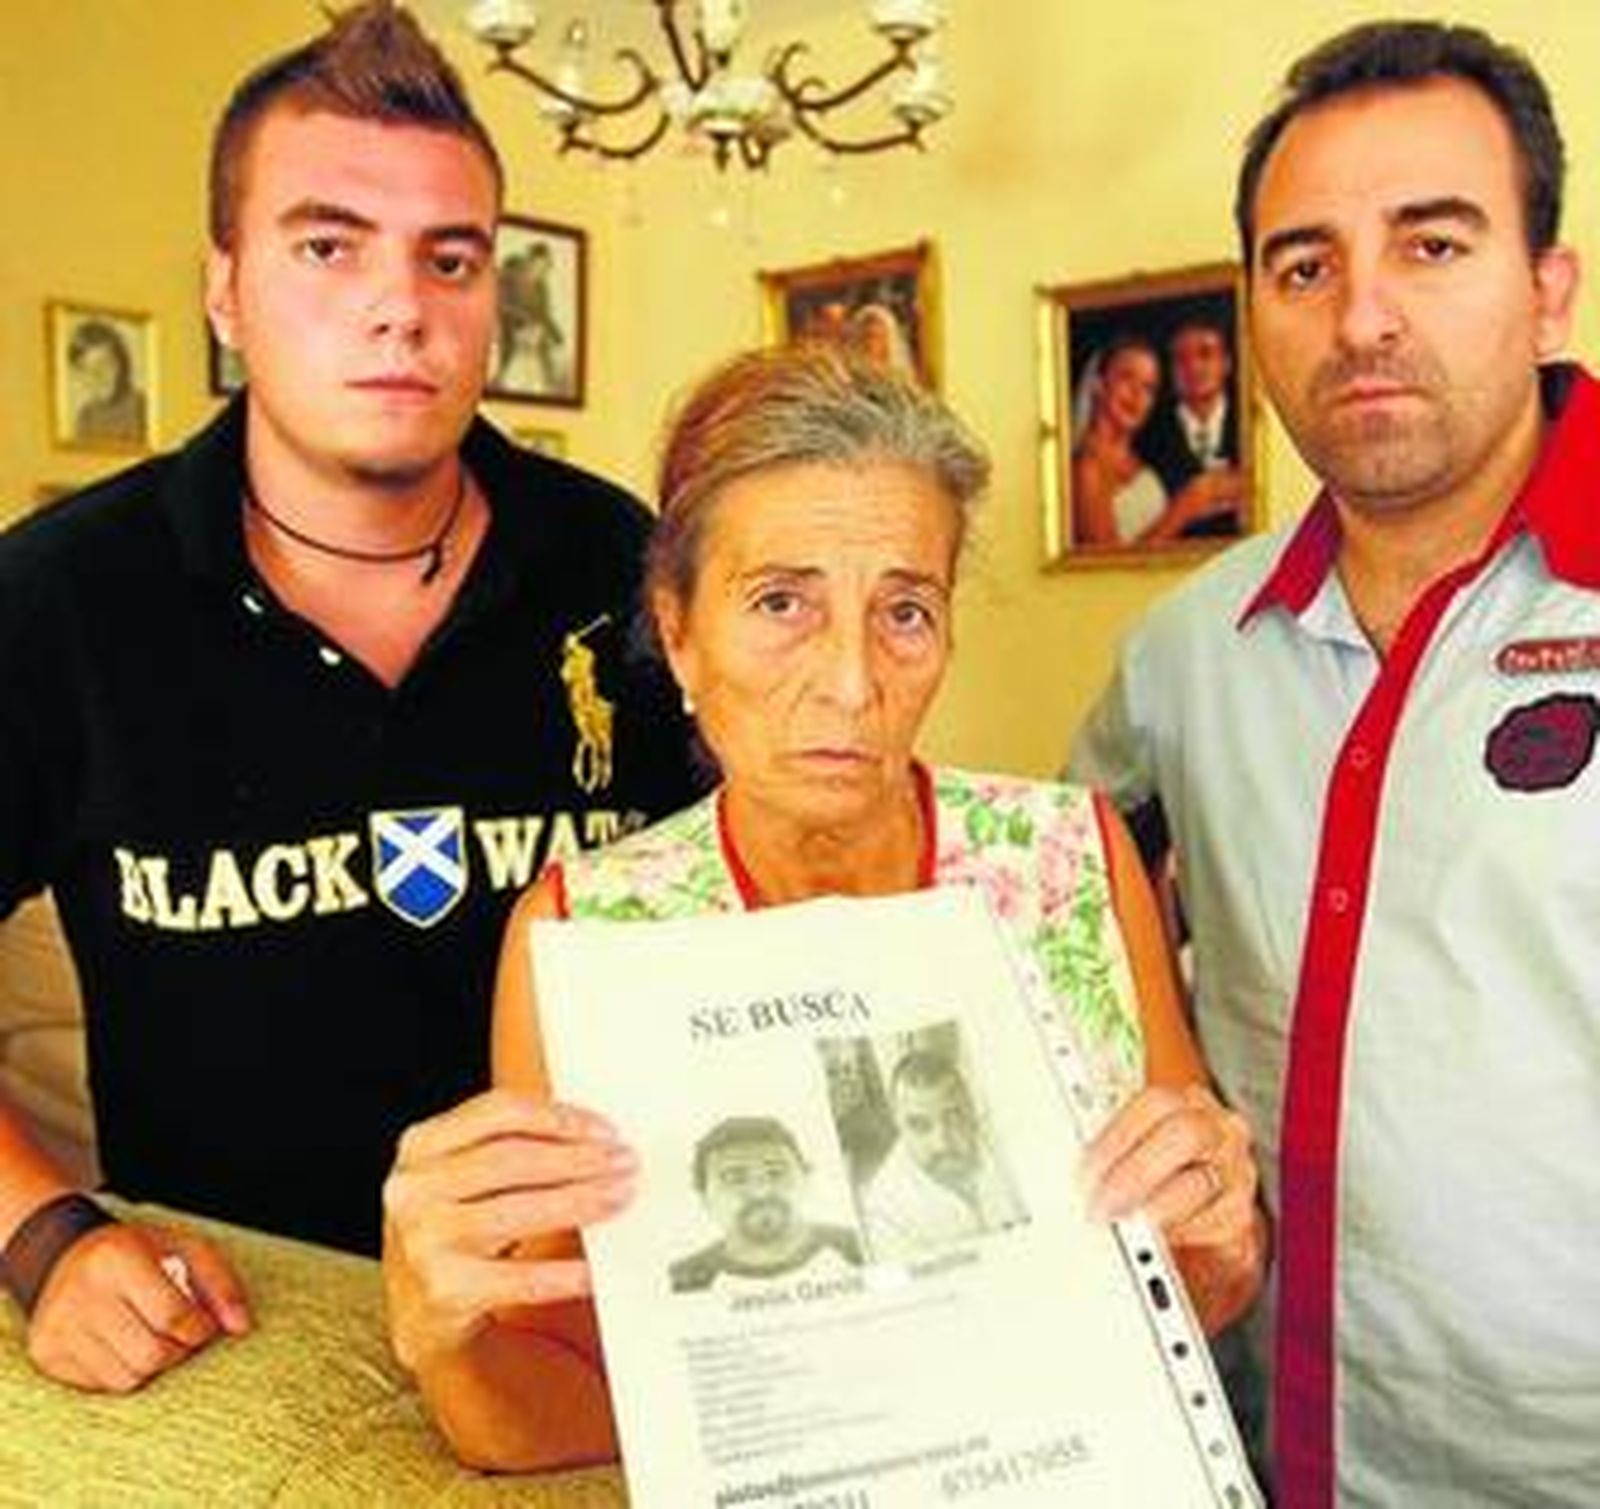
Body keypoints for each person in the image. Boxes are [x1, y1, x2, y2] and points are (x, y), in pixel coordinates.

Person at [382, 343, 1267, 1471]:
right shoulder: (588, 937)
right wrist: (441, 1336)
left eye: (904, 611)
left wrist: (1226, 1236)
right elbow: (559, 1410)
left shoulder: (1067, 859)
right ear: (682, 630)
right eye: (781, 603)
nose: (850, 682)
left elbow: (1196, 1283)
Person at [0, 1, 698, 1396]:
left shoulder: (620, 559)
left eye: (453, 258)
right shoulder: (60, 598)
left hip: (603, 1319)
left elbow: (751, 900)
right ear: (224, 287)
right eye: (328, 246)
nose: (401, 306)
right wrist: (46, 1237)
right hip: (246, 1337)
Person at [1069, 21, 1591, 1506]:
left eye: (1432, 246)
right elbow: (1045, 941)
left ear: (1547, 292)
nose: (1362, 315)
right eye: (1305, 266)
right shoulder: (1182, 657)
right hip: (1238, 1451)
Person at [858, 1047, 1025, 1260]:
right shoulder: (884, 1211)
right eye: (919, 1126)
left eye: (954, 1117)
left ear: (971, 1107)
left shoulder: (1011, 1142)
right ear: (897, 1124)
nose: (942, 1143)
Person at [1072, 334, 1237, 547]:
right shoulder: (1087, 468)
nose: (1137, 394)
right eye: (1126, 377)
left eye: (1148, 387)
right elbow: (1109, 568)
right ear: (1099, 384)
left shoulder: (1141, 458)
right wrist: (1183, 510)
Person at [668, 1116, 862, 1292]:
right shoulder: (683, 1279)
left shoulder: (858, 1248)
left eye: (775, 1173)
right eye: (734, 1178)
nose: (760, 1192)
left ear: (807, 1178)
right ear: (704, 1197)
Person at [1136, 315, 1246, 538]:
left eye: (1205, 354)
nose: (1193, 367)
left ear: (1227, 363)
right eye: (1181, 359)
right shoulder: (1147, 437)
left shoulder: (1254, 424)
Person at [67, 319, 148, 447]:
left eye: (105, 364)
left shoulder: (143, 408)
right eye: (88, 370)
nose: (99, 376)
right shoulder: (86, 416)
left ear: (122, 364)